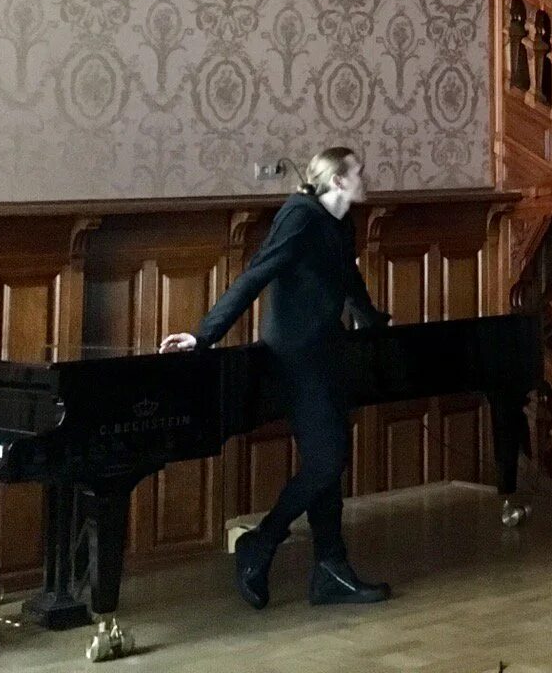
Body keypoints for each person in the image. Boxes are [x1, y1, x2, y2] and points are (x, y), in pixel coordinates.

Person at [160, 147, 392, 610]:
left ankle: (330, 569)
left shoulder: (341, 222)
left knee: (328, 464)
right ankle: (260, 542)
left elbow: (348, 280)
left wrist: (372, 322)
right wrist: (204, 335)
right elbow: (256, 275)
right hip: (295, 359)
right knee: (327, 462)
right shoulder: (300, 215)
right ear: (338, 180)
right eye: (359, 172)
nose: (367, 178)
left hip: (327, 354)